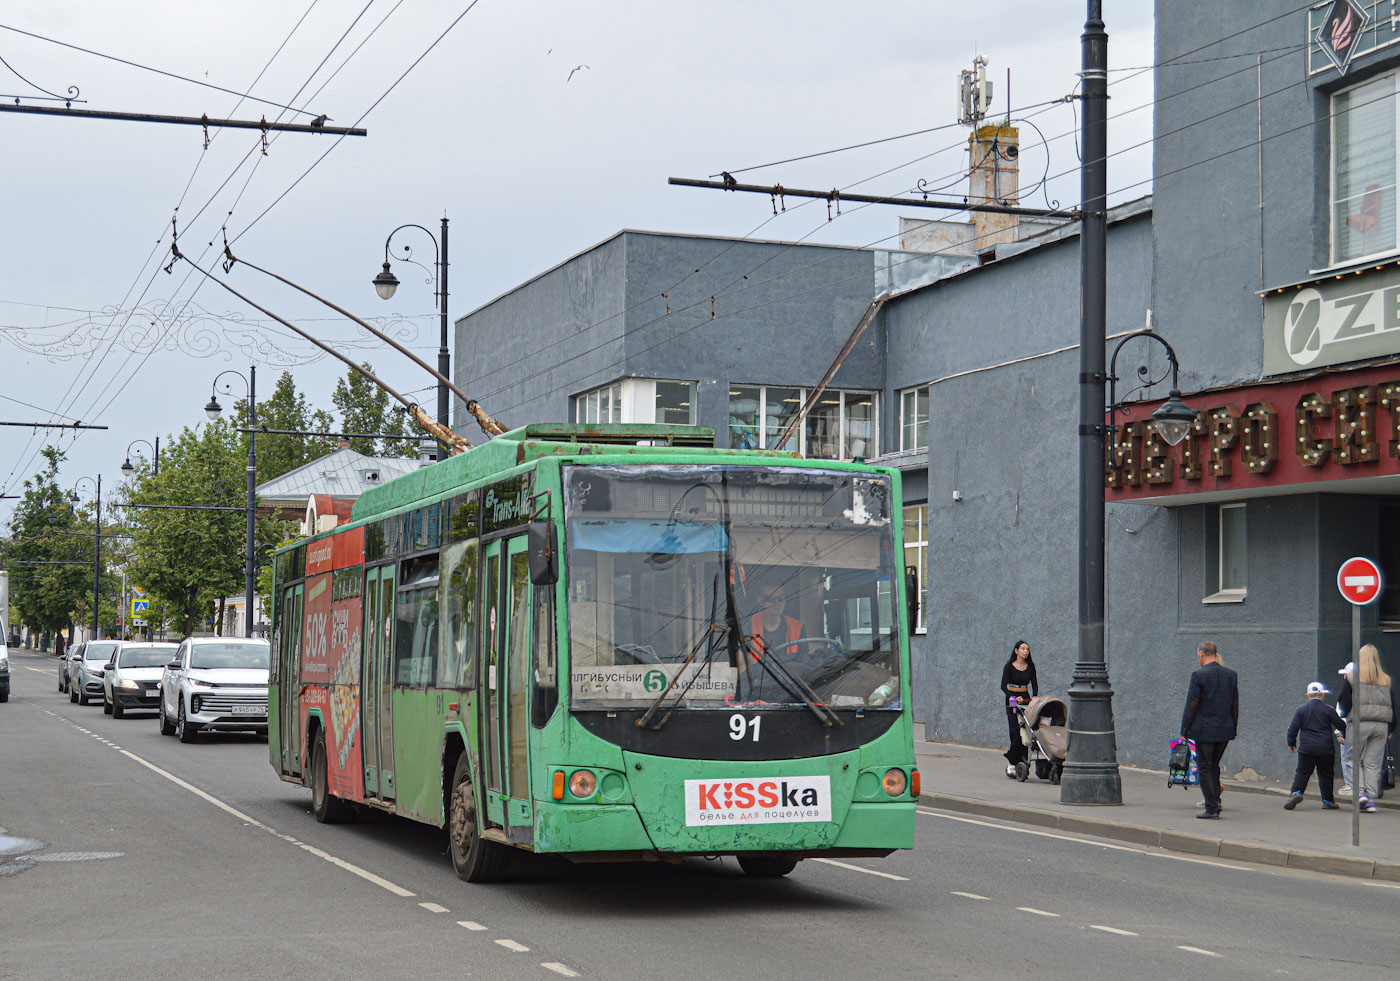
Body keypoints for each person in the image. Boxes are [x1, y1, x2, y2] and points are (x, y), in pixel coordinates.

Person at [1180, 640, 1239, 819]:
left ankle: (1212, 808)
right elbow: (1235, 703)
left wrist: (1184, 729)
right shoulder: (1231, 675)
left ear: (1201, 653)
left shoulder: (1199, 675)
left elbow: (1192, 704)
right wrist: (1233, 726)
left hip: (1204, 730)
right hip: (1225, 729)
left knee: (1204, 767)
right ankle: (1216, 801)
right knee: (1214, 765)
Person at [1337, 644, 1397, 813]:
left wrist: (1345, 717)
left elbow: (1344, 701)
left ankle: (1361, 793)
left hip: (1360, 723)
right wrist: (1391, 728)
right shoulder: (1386, 680)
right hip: (1381, 725)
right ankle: (1370, 798)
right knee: (1373, 763)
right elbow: (1392, 705)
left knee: (1352, 759)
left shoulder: (1352, 678)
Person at [1285, 681, 1345, 811]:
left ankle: (1297, 792)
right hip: (1326, 749)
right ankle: (1328, 801)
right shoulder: (1329, 710)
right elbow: (1341, 725)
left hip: (1307, 748)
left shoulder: (1301, 710)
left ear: (1308, 695)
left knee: (1302, 772)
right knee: (1326, 774)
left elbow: (1292, 729)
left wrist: (1291, 743)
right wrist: (1344, 734)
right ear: (1322, 695)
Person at [1000, 640, 1038, 777]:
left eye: (1027, 649)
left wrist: (1034, 697)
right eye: (1022, 648)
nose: (1025, 651)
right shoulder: (1009, 666)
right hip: (1012, 700)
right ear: (1016, 651)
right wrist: (1013, 697)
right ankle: (1011, 762)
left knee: (1025, 732)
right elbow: (1003, 685)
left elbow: (1034, 684)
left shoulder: (1030, 667)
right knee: (1015, 732)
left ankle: (1022, 761)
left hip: (1025, 699)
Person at [747, 583, 805, 660]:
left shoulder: (797, 627)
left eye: (781, 598)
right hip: (759, 668)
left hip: (789, 668)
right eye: (771, 599)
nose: (777, 603)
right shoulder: (747, 625)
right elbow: (742, 661)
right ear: (760, 600)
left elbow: (804, 660)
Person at [1336, 661, 1355, 796]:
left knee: (1346, 757)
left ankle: (1350, 785)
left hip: (1348, 729)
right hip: (1365, 729)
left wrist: (1339, 732)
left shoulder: (1346, 690)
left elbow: (1341, 712)